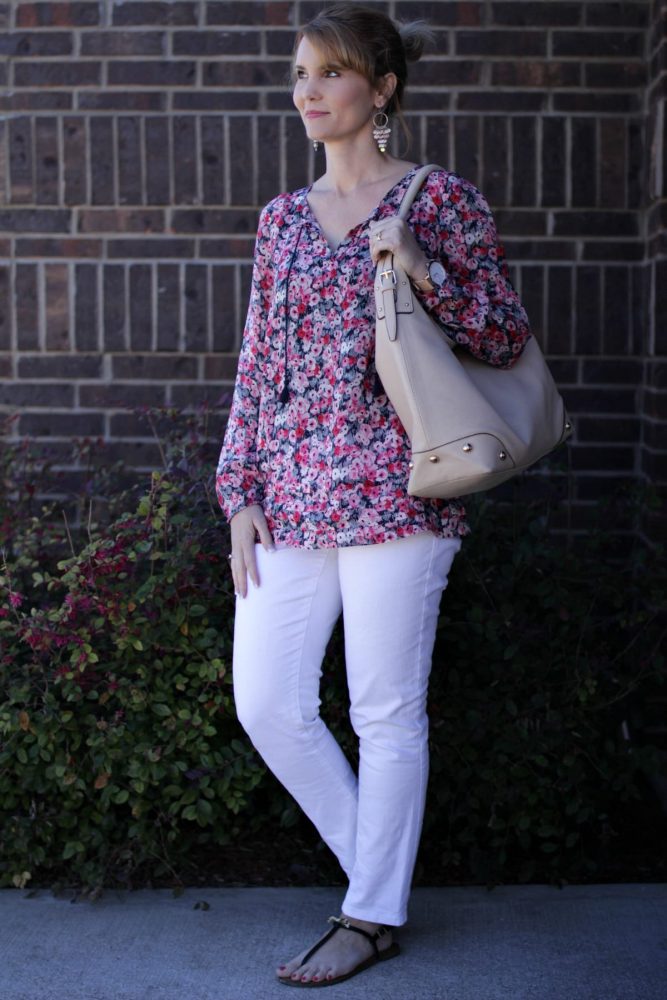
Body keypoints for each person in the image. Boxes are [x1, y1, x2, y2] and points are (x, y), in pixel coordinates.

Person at [215, 3, 531, 988]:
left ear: (380, 88)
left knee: (385, 708)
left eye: (329, 74)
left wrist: (421, 266)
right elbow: (256, 364)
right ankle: (378, 875)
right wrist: (239, 491)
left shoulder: (439, 200)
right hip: (295, 497)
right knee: (267, 699)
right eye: (299, 74)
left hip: (402, 491)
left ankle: (368, 913)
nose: (306, 91)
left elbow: (503, 336)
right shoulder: (279, 220)